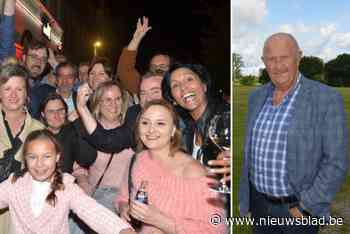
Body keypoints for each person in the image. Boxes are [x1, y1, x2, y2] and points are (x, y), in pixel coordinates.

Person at [239, 32, 348, 233]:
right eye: (271, 59)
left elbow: (336, 162)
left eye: (284, 58)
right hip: (260, 207)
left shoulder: (326, 98)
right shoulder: (256, 96)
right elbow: (249, 155)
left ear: (299, 56)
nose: (278, 65)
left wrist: (306, 207)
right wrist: (248, 200)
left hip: (297, 212)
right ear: (264, 61)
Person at [116, 100, 226, 234]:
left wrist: (160, 220)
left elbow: (216, 229)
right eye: (145, 123)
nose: (151, 130)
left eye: (160, 123)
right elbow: (122, 197)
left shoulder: (197, 175)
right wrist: (123, 208)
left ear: (173, 129)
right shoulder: (138, 160)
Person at [0, 129, 136, 234]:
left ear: (57, 157)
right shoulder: (14, 183)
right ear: (25, 159)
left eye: (46, 156)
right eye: (33, 157)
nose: (39, 164)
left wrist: (120, 230)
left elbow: (91, 210)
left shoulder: (66, 186)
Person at [72, 81, 134, 233]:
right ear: (98, 103)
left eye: (118, 99)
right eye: (108, 99)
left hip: (120, 197)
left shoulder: (131, 130)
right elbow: (78, 162)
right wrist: (82, 180)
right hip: (92, 193)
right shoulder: (87, 127)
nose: (114, 104)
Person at [0, 63, 44, 233]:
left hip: (23, 217)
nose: (13, 95)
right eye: (7, 88)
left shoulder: (39, 130)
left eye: (19, 89)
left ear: (27, 94)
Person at [40, 93, 96, 173]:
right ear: (43, 114)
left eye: (60, 110)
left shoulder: (72, 132)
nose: (56, 116)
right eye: (51, 112)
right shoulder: (39, 137)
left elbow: (88, 159)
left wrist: (78, 123)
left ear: (66, 112)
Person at [117, 16, 172, 95]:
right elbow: (124, 70)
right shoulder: (143, 85)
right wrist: (136, 39)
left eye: (162, 66)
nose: (158, 69)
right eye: (154, 66)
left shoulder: (176, 88)